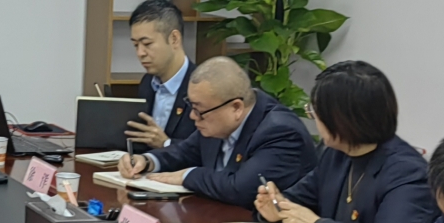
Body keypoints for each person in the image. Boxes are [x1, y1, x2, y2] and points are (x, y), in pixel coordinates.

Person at [253, 60, 436, 223]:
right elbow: (298, 200)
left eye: (314, 112)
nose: (313, 118)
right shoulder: (335, 154)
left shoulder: (407, 172)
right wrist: (277, 208)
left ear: (341, 120)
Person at [118, 57, 312, 205]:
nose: (193, 116)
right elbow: (185, 151)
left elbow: (240, 189)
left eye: (199, 110)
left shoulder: (280, 132)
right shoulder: (216, 121)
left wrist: (188, 176)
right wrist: (147, 161)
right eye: (191, 106)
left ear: (236, 108)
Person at [123, 0, 192, 149]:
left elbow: (207, 150)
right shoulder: (147, 83)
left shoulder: (201, 86)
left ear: (174, 39)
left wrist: (166, 144)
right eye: (135, 45)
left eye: (147, 44)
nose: (140, 53)